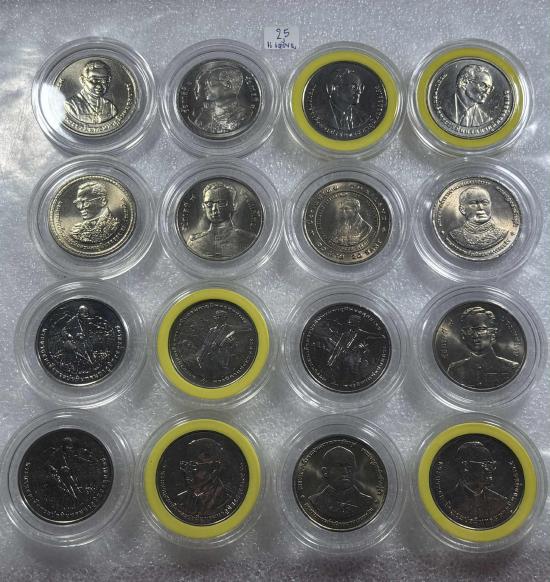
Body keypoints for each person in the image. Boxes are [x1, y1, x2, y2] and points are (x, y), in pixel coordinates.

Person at [447, 306, 519, 388]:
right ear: (463, 335)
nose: (475, 335)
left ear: (493, 333)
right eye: (468, 330)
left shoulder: (511, 368)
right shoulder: (454, 370)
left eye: (480, 329)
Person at [187, 181, 255, 259]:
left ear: (234, 206)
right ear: (203, 207)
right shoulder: (195, 243)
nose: (214, 209)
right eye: (209, 203)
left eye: (221, 203)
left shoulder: (248, 240)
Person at [447, 440, 509, 519]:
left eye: (492, 465)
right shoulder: (448, 501)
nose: (490, 469)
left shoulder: (501, 502)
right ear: (466, 466)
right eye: (485, 464)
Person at [308, 445, 373, 520]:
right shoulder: (314, 501)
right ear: (325, 472)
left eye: (349, 467)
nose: (345, 472)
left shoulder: (367, 502)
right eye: (339, 467)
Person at [176, 437, 232, 516]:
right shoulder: (182, 499)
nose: (187, 472)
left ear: (214, 468)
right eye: (185, 466)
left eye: (193, 466)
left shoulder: (225, 499)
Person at [193, 65, 252, 134]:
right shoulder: (206, 113)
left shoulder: (242, 116)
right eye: (206, 84)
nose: (206, 88)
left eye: (212, 84)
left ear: (227, 86)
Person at [447, 186, 508, 251]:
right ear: (462, 209)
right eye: (473, 203)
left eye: (485, 203)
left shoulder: (501, 233)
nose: (481, 207)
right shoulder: (455, 234)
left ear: (490, 205)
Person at [65, 60, 118, 124]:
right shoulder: (71, 105)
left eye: (103, 81)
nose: (99, 86)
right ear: (82, 80)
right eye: (94, 80)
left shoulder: (111, 107)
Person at [326, 66, 367, 131]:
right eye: (353, 87)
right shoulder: (320, 115)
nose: (359, 91)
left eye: (361, 87)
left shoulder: (363, 118)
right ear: (335, 88)